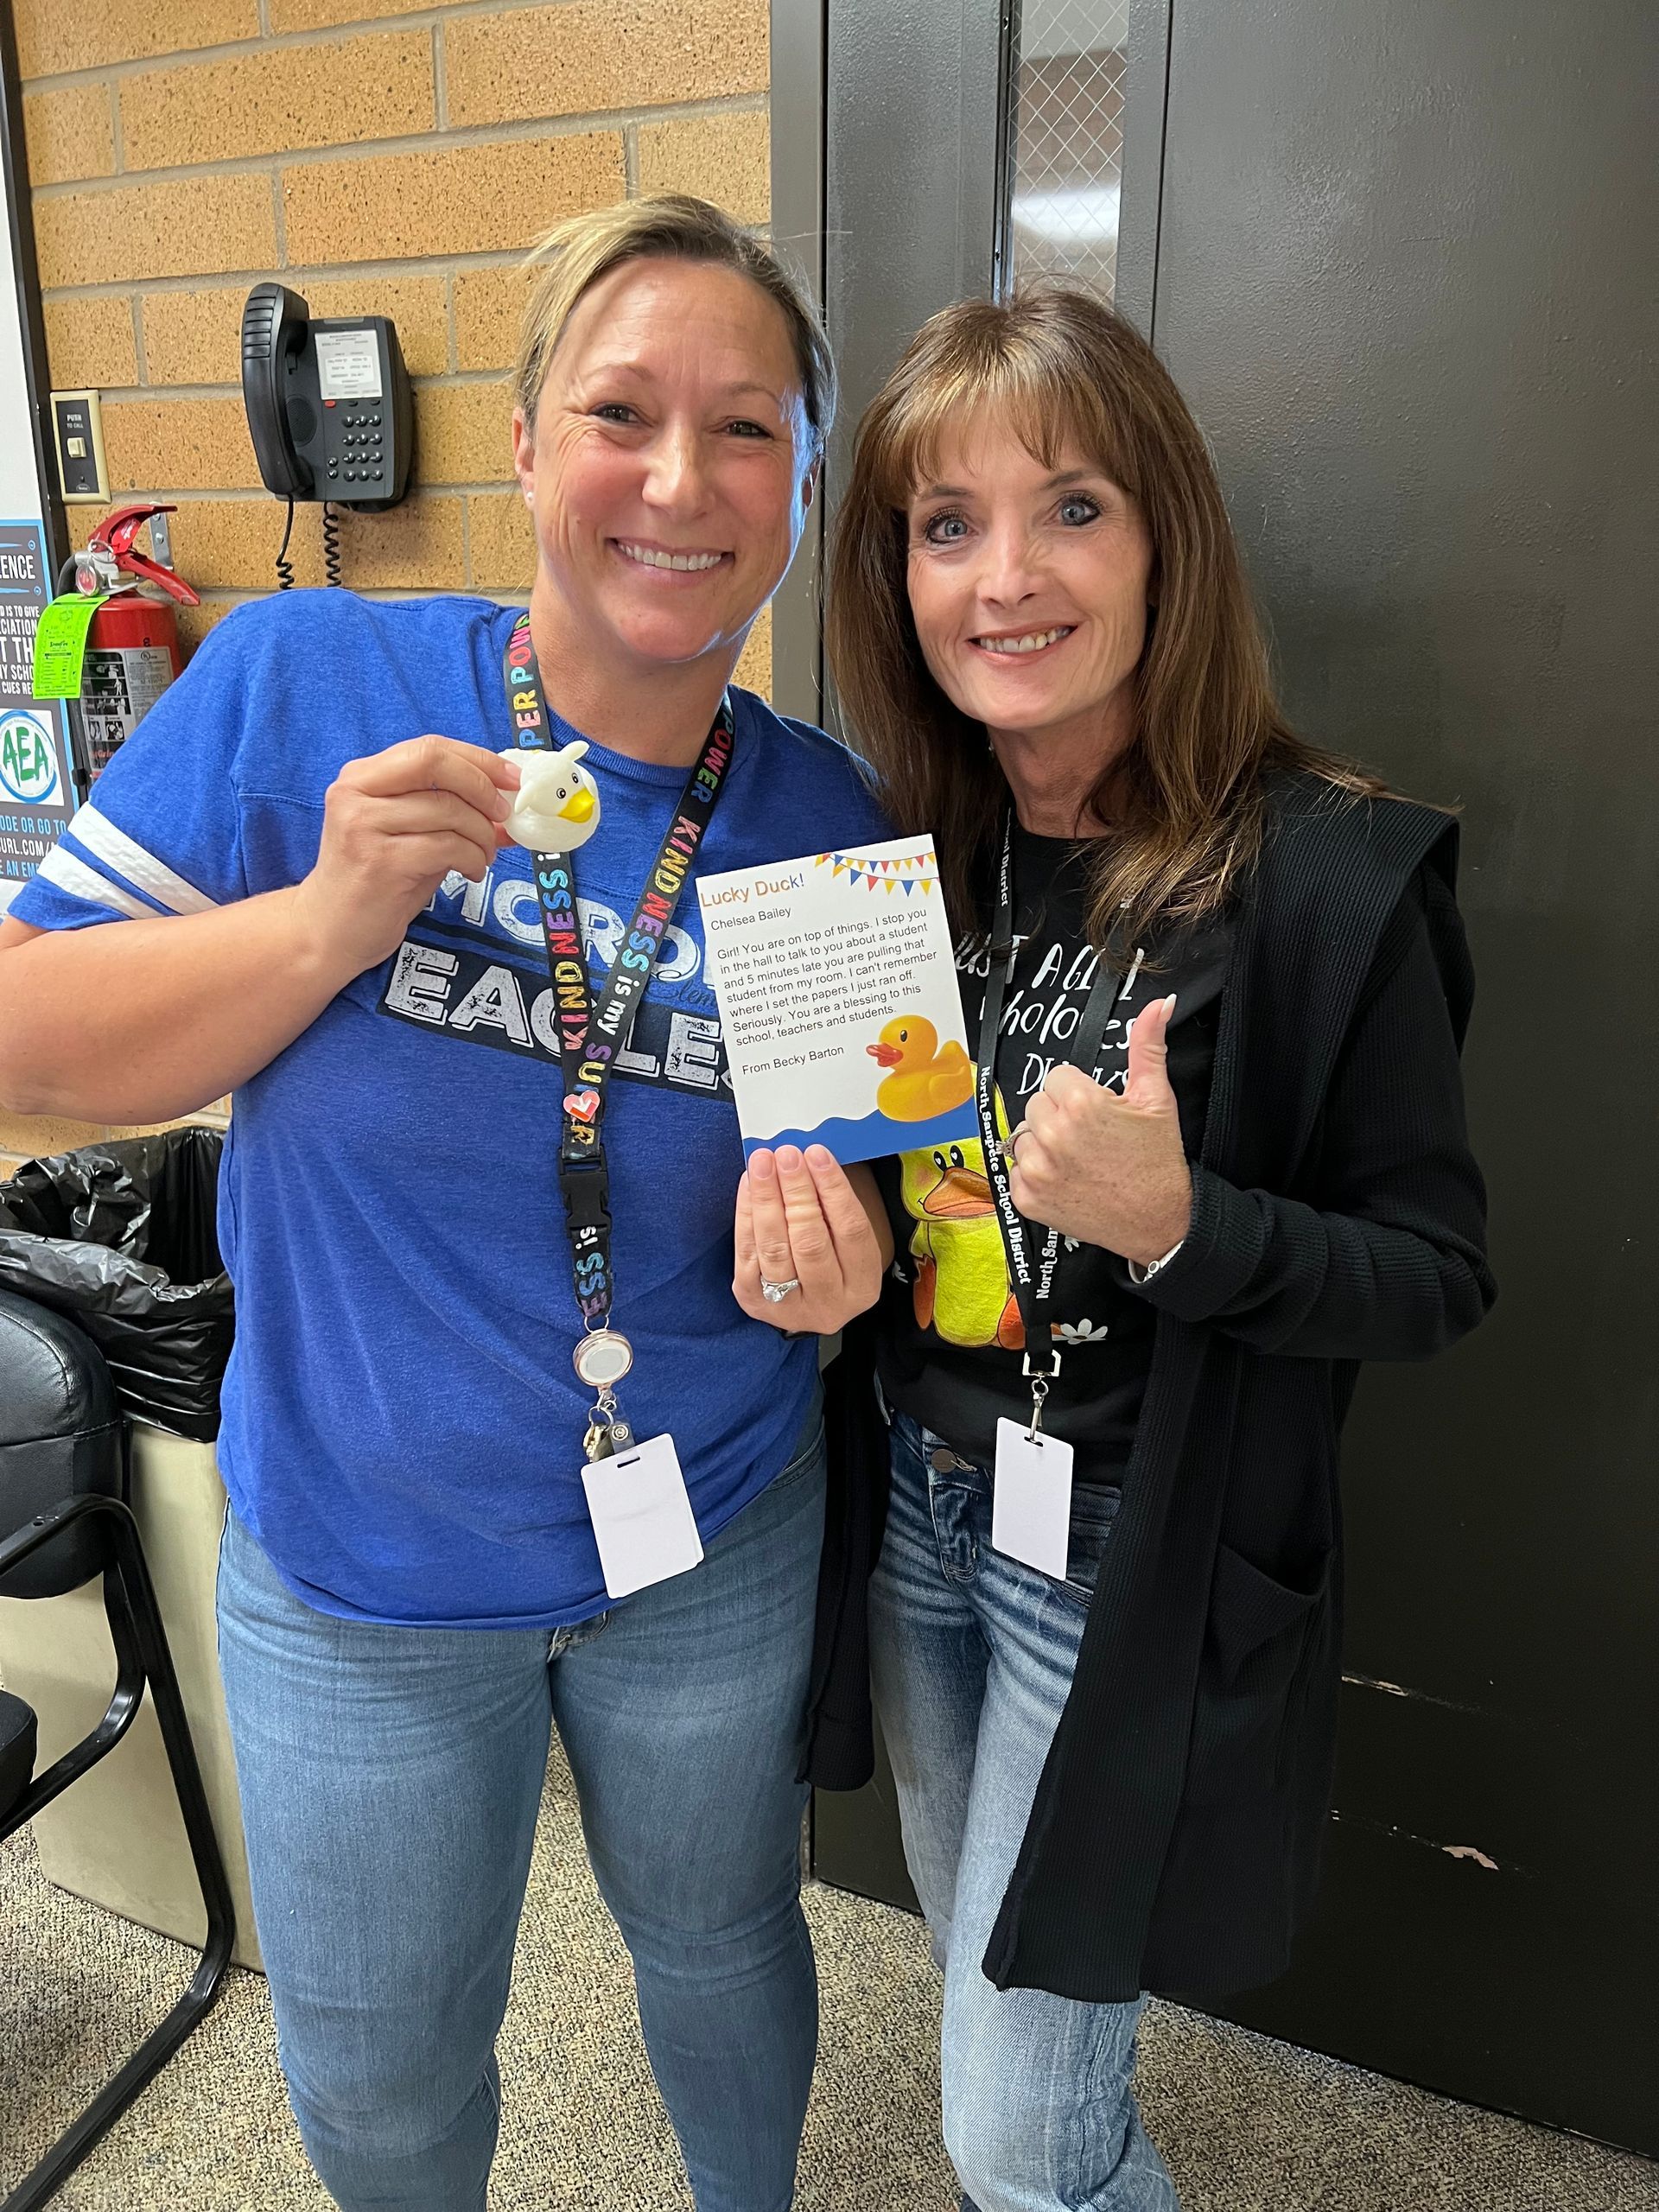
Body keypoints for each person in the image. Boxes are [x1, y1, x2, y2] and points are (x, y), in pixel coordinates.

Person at [0, 195, 893, 2212]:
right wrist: (323, 920)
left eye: (749, 428)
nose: (682, 479)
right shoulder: (311, 681)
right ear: (520, 445)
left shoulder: (832, 817)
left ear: (806, 485)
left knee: (728, 1936)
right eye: (622, 411)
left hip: (712, 1531)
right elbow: (23, 1048)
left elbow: (860, 1204)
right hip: (361, 1569)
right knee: (388, 2062)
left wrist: (835, 1274)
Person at [750, 288, 1495, 2211]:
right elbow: (862, 1209)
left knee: (1011, 2121)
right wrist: (814, 1260)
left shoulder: (1325, 880)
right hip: (918, 1505)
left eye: (1072, 505)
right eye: (945, 524)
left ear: (1166, 535)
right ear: (894, 571)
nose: (1008, 576)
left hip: (1128, 1557)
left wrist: (1185, 1225)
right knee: (987, 1981)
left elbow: (1433, 1270)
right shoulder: (891, 848)